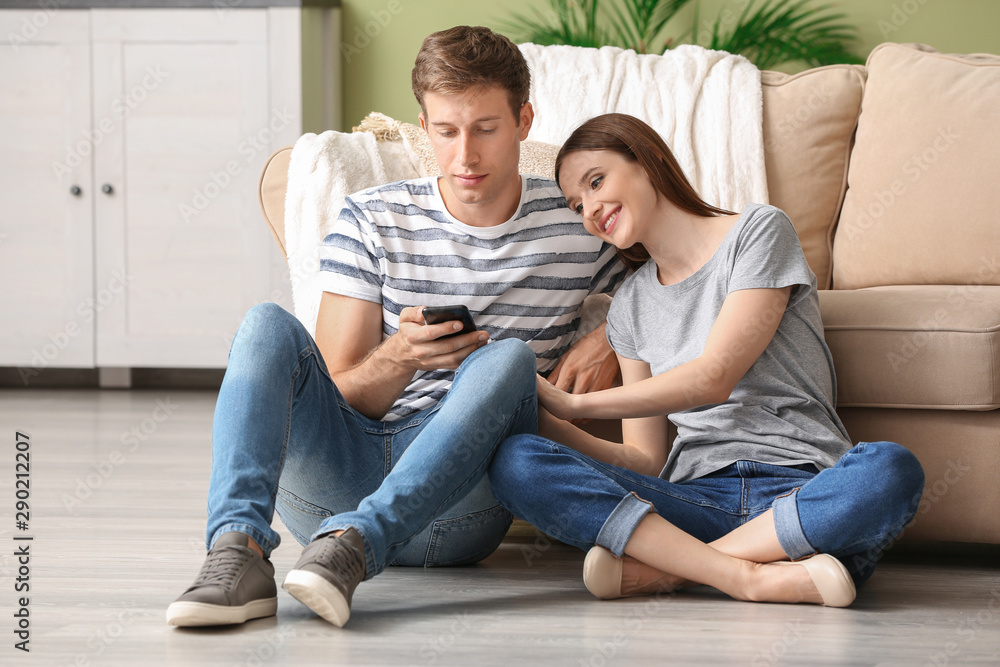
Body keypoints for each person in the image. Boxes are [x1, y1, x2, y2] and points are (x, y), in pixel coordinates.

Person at [166, 27, 626, 628]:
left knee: (506, 359)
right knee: (264, 325)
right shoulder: (372, 217)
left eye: (486, 129)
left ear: (524, 120)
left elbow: (675, 273)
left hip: (461, 505)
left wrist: (611, 336)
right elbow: (335, 394)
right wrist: (401, 357)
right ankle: (238, 553)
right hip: (336, 488)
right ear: (425, 125)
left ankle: (362, 541)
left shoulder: (576, 220)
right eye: (446, 131)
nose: (467, 155)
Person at [488, 113, 925, 607]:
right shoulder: (629, 306)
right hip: (695, 499)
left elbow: (715, 377)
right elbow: (644, 460)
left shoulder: (757, 232)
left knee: (891, 470)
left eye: (596, 181)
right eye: (577, 204)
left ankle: (674, 571)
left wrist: (570, 404)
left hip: (803, 488)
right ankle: (754, 573)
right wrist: (544, 420)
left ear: (648, 161)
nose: (590, 209)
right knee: (516, 461)